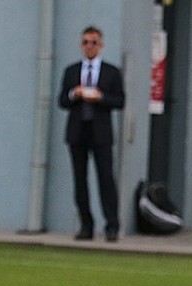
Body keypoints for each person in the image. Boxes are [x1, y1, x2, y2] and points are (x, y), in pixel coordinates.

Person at [58, 26, 125, 242]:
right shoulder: (71, 71)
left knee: (106, 178)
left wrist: (101, 98)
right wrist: (74, 93)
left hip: (101, 132)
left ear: (101, 45)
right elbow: (62, 101)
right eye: (86, 42)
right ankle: (86, 225)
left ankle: (112, 225)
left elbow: (120, 101)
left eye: (94, 42)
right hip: (78, 131)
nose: (89, 46)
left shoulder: (111, 72)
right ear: (81, 45)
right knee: (80, 180)